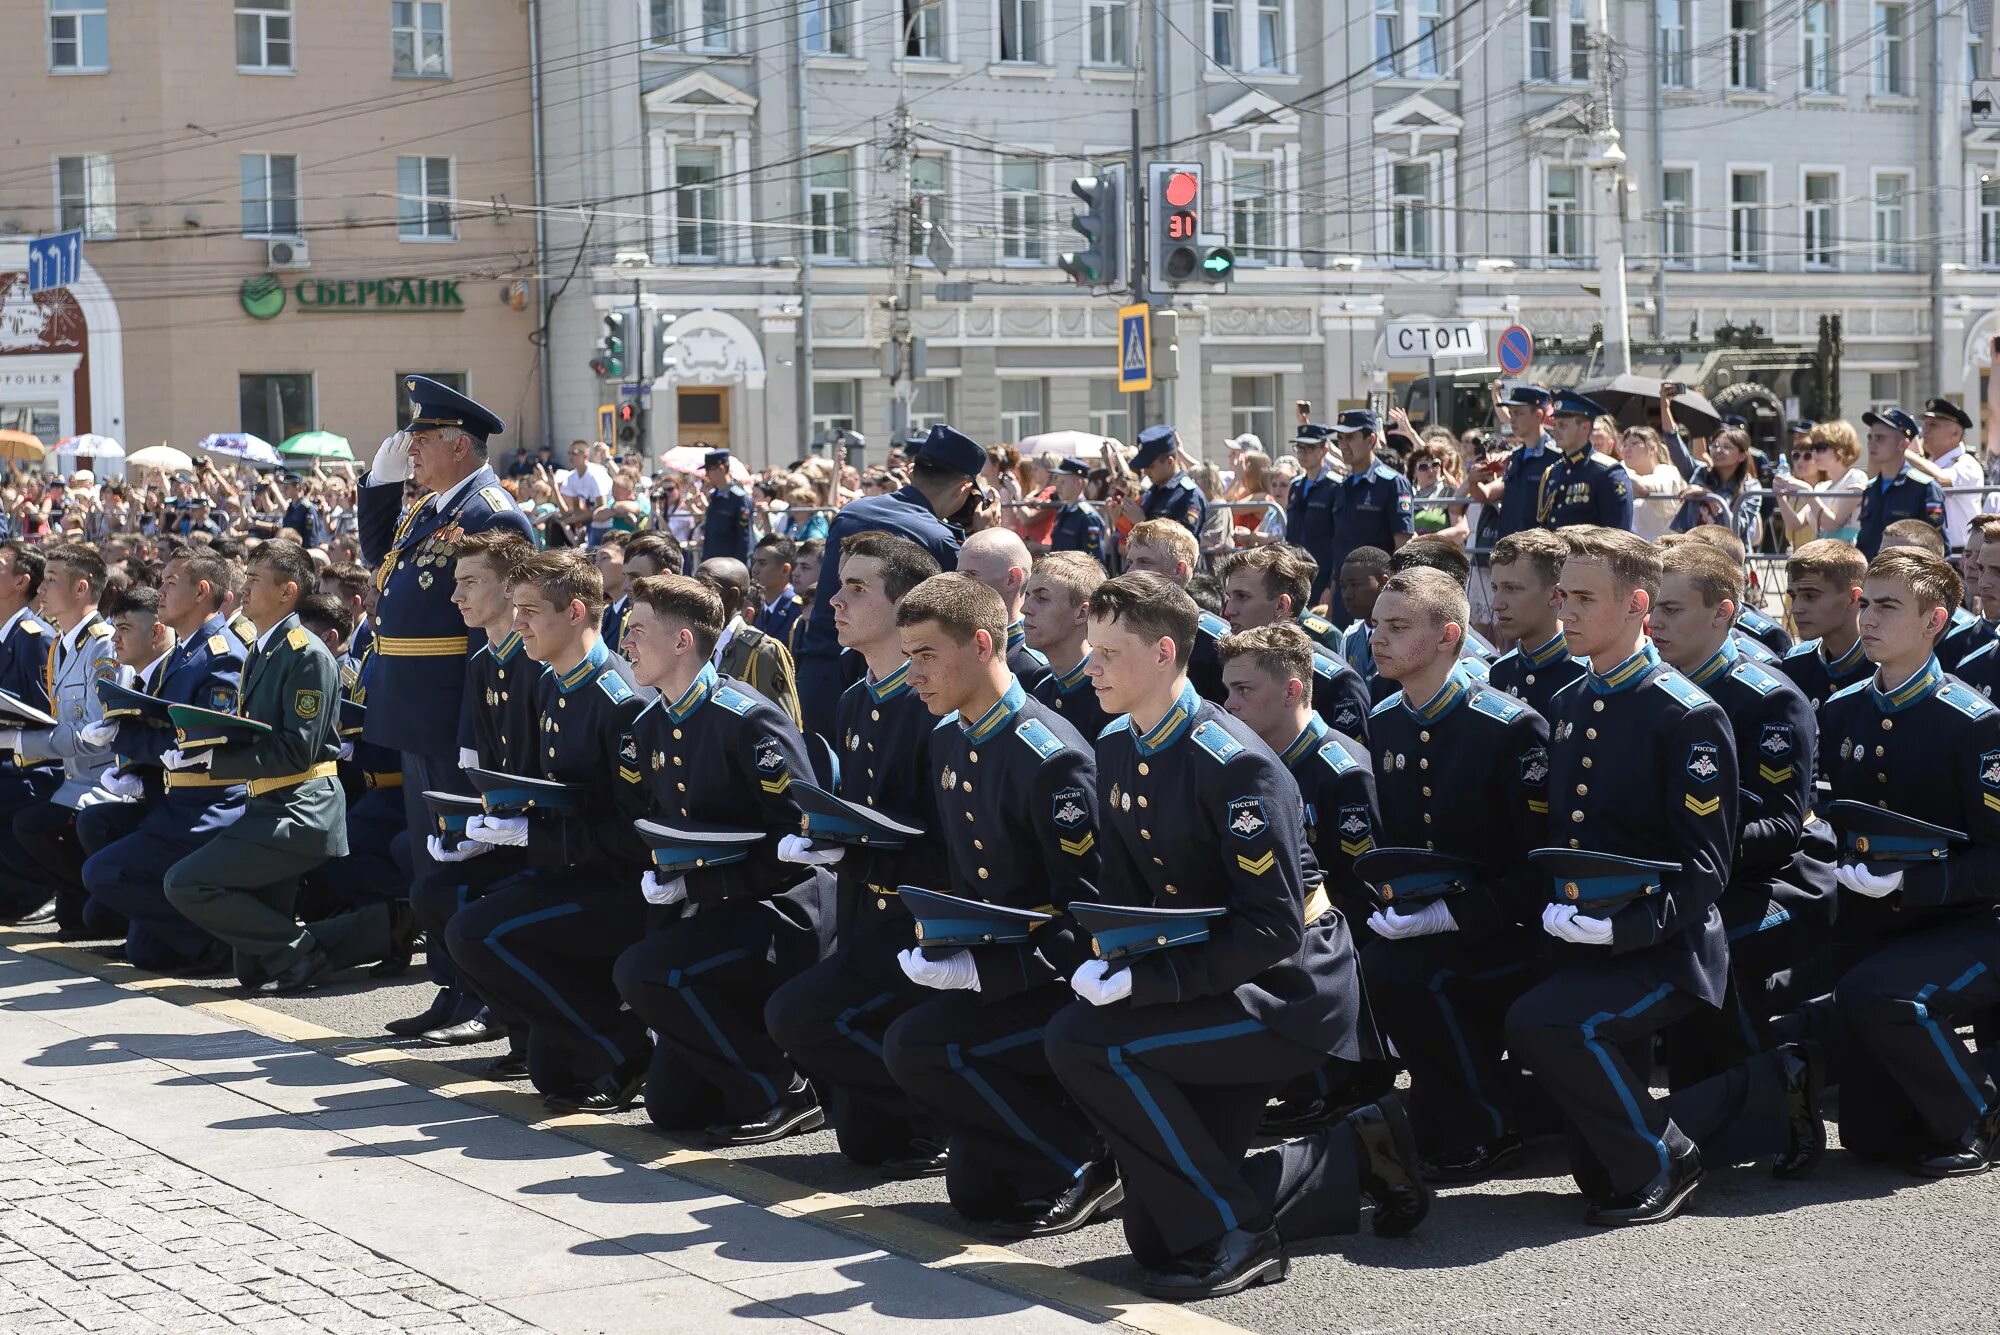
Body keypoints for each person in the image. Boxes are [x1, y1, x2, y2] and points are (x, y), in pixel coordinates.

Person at [1045, 573, 1428, 1301]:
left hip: (1285, 989)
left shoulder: (1237, 761)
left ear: (1163, 653)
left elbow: (1273, 925)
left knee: (1085, 1042)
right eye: (1090, 650)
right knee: (1155, 1237)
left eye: (1107, 652)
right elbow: (1131, 893)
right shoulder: (1120, 743)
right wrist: (1110, 956)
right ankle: (1355, 1151)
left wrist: (1148, 984)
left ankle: (1239, 1234)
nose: (1089, 666)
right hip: (1212, 973)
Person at [1504, 527, 1820, 1227]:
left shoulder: (1686, 712)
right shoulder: (1569, 703)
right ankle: (1764, 1091)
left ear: (1635, 603)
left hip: (1668, 946)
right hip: (1589, 933)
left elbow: (1706, 866)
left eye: (1585, 596)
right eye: (1563, 595)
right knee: (1588, 1161)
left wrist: (1625, 925)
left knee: (1547, 1024)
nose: (1567, 611)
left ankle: (1663, 1155)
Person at [880, 575, 1116, 1237]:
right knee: (977, 1195)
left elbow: (1088, 916)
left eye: (925, 655)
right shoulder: (950, 738)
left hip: (1061, 983)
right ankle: (1048, 1133)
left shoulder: (1052, 756)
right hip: (1002, 968)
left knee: (921, 1046)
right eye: (908, 656)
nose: (912, 674)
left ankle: (1085, 1158)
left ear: (983, 644)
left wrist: (987, 973)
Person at [611, 573, 835, 1143]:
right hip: (708, 913)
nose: (625, 643)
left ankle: (783, 1087)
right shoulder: (650, 721)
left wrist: (702, 887)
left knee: (644, 972)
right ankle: (749, 1065)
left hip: (776, 910)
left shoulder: (748, 719)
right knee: (671, 1109)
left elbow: (802, 844)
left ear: (683, 641)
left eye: (637, 630)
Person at [764, 532, 951, 1172]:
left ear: (904, 608)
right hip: (865, 913)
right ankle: (922, 1112)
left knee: (801, 1016)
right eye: (839, 585)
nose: (834, 602)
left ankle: (949, 1112)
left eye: (857, 589)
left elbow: (952, 836)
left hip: (919, 923)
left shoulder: (935, 707)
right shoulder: (853, 700)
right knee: (866, 1143)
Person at [1358, 567, 1550, 1181]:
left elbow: (1539, 861)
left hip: (1511, 925)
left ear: (1447, 636)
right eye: (1373, 626)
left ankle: (1488, 1125)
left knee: (1424, 976)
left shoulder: (1508, 726)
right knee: (1380, 966)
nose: (1376, 640)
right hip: (1427, 918)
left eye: (1396, 626)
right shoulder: (1386, 720)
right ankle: (1443, 1106)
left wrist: (1457, 914)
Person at [445, 551, 653, 1111]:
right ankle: (601, 1031)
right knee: (553, 1077)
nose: (517, 624)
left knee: (476, 932)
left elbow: (637, 836)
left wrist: (531, 838)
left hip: (618, 885)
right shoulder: (550, 684)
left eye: (530, 611)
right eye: (516, 610)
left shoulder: (621, 700)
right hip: (564, 871)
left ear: (577, 612)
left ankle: (625, 1045)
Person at [1816, 548, 2000, 1174]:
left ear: (1935, 621)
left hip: (1969, 924)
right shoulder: (1842, 710)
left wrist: (1915, 882)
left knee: (1885, 994)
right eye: (1867, 603)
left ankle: (1982, 1114)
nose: (1868, 618)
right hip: (1875, 923)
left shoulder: (1973, 723)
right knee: (1872, 1139)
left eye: (1889, 606)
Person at [357, 376, 533, 1011]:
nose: (412, 452)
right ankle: (450, 987)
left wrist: (473, 729)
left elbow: (498, 634)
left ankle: (481, 994)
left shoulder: (491, 513)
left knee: (460, 856)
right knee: (433, 857)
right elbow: (380, 559)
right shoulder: (432, 510)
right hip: (416, 708)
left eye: (422, 439)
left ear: (459, 446)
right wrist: (375, 489)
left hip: (455, 710)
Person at [1647, 542, 1835, 1081]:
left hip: (1781, 882)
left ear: (1723, 613)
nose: (1655, 622)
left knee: (1705, 944)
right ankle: (1709, 1108)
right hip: (1692, 880)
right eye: (1653, 608)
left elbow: (1779, 828)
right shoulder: (1653, 690)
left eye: (1672, 609)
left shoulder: (1768, 699)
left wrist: (1677, 852)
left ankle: (1780, 1094)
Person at [1215, 621, 1385, 1134]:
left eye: (1243, 690)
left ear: (1292, 690)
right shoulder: (1248, 762)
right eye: (1226, 689)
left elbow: (1363, 891)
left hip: (1335, 933)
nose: (1228, 705)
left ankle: (1337, 1080)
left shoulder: (1340, 770)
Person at [161, 541, 352, 995]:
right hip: (269, 803)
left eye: (254, 581)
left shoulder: (305, 653)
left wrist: (211, 762)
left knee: (185, 883)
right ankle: (382, 929)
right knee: (252, 970)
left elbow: (296, 751)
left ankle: (305, 953)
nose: (243, 589)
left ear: (287, 592)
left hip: (302, 807)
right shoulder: (265, 649)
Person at [392, 527, 540, 1053]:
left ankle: (508, 1017)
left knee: (459, 897)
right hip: (509, 825)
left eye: (469, 582)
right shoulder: (482, 660)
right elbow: (478, 761)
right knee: (431, 883)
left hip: (549, 838)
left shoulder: (540, 663)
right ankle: (481, 1003)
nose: (455, 596)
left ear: (508, 590)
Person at [77, 554, 247, 972]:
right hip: (172, 798)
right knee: (146, 952)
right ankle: (180, 929)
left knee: (103, 874)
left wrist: (127, 736)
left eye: (170, 583)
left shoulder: (221, 655)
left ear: (201, 592)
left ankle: (219, 940)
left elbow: (203, 741)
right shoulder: (185, 651)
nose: (161, 592)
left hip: (207, 805)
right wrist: (134, 768)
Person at [795, 425, 981, 737]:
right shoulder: (941, 539)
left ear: (912, 471)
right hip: (902, 683)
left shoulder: (851, 512)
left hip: (823, 668)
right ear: (964, 487)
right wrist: (980, 534)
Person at [0, 542, 120, 929]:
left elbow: (97, 731)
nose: (43, 589)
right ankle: (80, 891)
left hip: (95, 782)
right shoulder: (61, 645)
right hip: (68, 776)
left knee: (30, 824)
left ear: (81, 589)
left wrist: (16, 742)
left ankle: (66, 889)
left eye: (51, 580)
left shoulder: (102, 643)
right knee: (78, 920)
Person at [1216, 546, 1370, 740]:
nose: (1228, 610)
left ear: (1281, 606)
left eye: (1242, 597)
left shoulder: (1334, 683)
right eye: (1229, 597)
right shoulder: (1224, 664)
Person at [1324, 411, 1415, 625]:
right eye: (1340, 438)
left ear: (1370, 439)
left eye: (1350, 437)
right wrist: (1333, 589)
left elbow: (1402, 546)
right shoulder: (1343, 486)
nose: (1343, 444)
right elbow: (1340, 544)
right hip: (1345, 593)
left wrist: (1396, 594)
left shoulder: (1392, 483)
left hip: (1375, 592)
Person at [1484, 529, 1585, 718]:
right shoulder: (1501, 671)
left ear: (1556, 595)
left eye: (1512, 589)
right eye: (1495, 588)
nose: (1496, 604)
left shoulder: (1584, 675)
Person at [696, 557, 802, 728]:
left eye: (705, 587)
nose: (694, 594)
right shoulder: (696, 646)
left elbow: (784, 727)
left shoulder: (762, 651)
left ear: (732, 595)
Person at [1775, 538, 1871, 712]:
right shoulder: (1796, 664)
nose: (1796, 609)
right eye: (1793, 596)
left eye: (1810, 596)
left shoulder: (1882, 671)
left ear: (1853, 598)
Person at [1025, 551, 1112, 742]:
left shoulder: (1110, 695)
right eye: (1027, 595)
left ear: (1082, 613)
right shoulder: (1040, 687)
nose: (1025, 609)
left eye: (1042, 598)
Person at [953, 528, 1051, 693]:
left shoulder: (1032, 666)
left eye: (971, 576)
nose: (958, 585)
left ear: (1012, 579)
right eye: (958, 576)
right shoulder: (957, 644)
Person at [1854, 408, 1945, 558]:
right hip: (1873, 576)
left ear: (1903, 444)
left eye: (1880, 438)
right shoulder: (1871, 489)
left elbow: (1938, 544)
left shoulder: (1925, 488)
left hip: (1908, 576)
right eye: (1870, 437)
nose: (1872, 444)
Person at [1539, 391, 1634, 531]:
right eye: (1555, 425)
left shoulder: (1607, 472)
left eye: (1562, 425)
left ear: (1585, 427)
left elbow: (1618, 535)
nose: (1555, 431)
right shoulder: (1554, 472)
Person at [1908, 398, 1986, 552]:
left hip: (1961, 554)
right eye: (1925, 424)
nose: (1925, 430)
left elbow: (1942, 480)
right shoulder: (1929, 463)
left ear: (1955, 433)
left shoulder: (1966, 463)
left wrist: (1906, 453)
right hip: (1932, 550)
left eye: (1933, 425)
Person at [1483, 384, 1559, 541]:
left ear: (1538, 414)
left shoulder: (1556, 457)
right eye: (1510, 414)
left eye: (1518, 413)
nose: (1512, 420)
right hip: (1510, 546)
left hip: (1539, 548)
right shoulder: (1516, 456)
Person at [1775, 420, 1866, 546]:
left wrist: (1807, 491)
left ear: (1840, 448)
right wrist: (1780, 496)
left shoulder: (1855, 478)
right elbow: (1794, 524)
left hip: (1846, 557)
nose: (1813, 453)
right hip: (1822, 556)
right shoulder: (1822, 487)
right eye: (1812, 448)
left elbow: (1831, 524)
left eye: (1820, 448)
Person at [1285, 423, 1341, 604]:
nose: (1303, 453)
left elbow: (1339, 537)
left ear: (1324, 449)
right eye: (1300, 448)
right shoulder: (1296, 485)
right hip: (1296, 571)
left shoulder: (1335, 486)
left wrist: (1331, 586)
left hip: (1323, 573)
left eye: (1309, 448)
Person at [1121, 426, 1207, 540]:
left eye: (1150, 466)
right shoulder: (1152, 492)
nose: (1145, 471)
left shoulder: (1189, 495)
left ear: (1169, 461)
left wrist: (1142, 522)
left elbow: (1183, 543)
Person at [1618, 427, 1685, 542]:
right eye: (1624, 445)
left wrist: (1618, 470)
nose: (1627, 449)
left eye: (1634, 443)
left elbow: (1644, 488)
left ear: (1652, 449)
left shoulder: (1668, 471)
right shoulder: (1624, 472)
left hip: (1665, 548)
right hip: (1636, 548)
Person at [1046, 459, 1107, 562]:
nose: (1057, 487)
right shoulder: (1064, 511)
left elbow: (1095, 559)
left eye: (1062, 482)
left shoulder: (1088, 517)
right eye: (1057, 481)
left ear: (1078, 483)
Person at [701, 450, 754, 565]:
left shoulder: (739, 499)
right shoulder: (715, 497)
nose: (706, 475)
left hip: (730, 565)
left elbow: (744, 537)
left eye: (709, 470)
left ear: (721, 469)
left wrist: (740, 566)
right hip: (712, 562)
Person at [750, 534, 804, 647]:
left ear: (785, 570)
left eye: (762, 563)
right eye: (754, 562)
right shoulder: (754, 607)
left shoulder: (798, 610)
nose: (754, 570)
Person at [592, 534, 632, 654]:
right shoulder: (605, 612)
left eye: (604, 558)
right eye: (596, 560)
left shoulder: (634, 616)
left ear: (628, 563)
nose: (596, 566)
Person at [786, 537, 823, 660]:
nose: (795, 572)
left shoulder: (832, 621)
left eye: (805, 567)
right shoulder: (799, 622)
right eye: (796, 566)